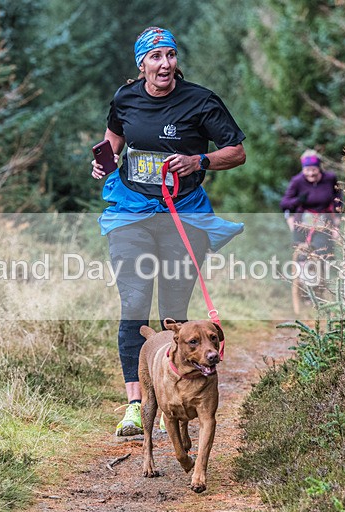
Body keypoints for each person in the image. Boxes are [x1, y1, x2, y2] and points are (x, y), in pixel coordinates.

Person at [91, 27, 246, 436]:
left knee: (173, 311)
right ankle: (135, 404)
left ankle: (170, 397)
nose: (164, 64)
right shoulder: (125, 97)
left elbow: (236, 151)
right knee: (134, 302)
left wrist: (200, 161)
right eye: (155, 57)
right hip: (131, 214)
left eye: (170, 55)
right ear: (141, 63)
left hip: (184, 215)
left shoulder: (200, 100)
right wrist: (104, 163)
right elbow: (113, 139)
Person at [279, 150, 342, 261]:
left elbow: (338, 198)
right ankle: (302, 276)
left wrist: (338, 221)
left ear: (319, 168)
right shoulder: (297, 181)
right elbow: (284, 203)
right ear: (303, 169)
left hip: (324, 221)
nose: (311, 173)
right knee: (302, 255)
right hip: (302, 222)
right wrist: (298, 200)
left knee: (323, 253)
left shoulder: (330, 179)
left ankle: (322, 276)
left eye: (314, 170)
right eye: (307, 170)